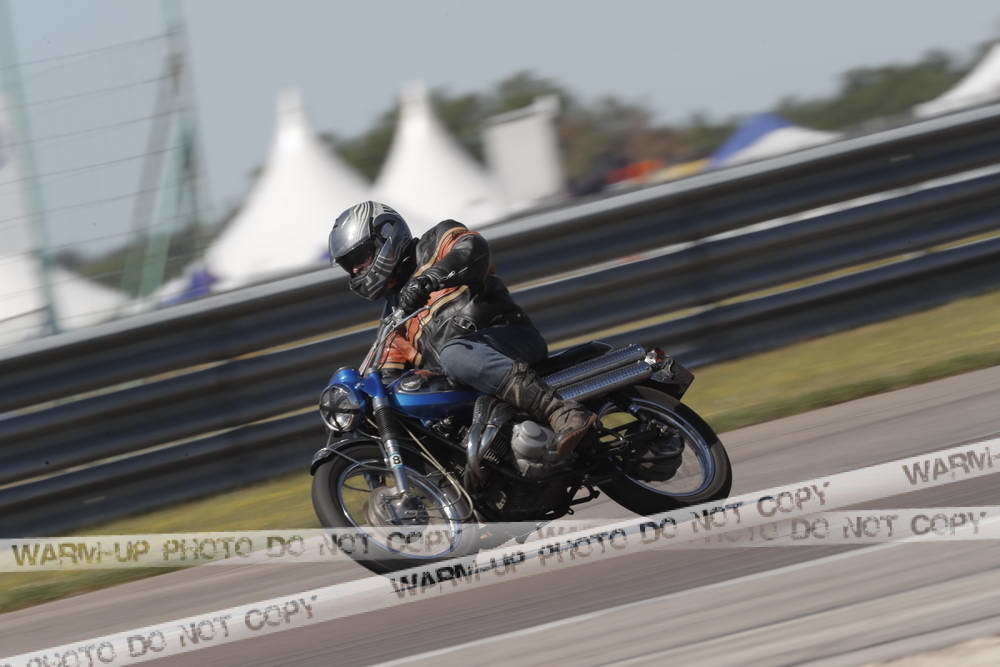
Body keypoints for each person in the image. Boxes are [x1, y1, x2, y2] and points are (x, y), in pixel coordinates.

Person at [327, 200, 596, 469]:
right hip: (468, 385)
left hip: (509, 338)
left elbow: (473, 250)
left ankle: (560, 411)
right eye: (349, 266)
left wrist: (429, 279)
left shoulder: (437, 241)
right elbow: (385, 376)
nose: (356, 270)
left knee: (454, 354)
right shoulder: (394, 318)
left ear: (387, 236)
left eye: (359, 258)